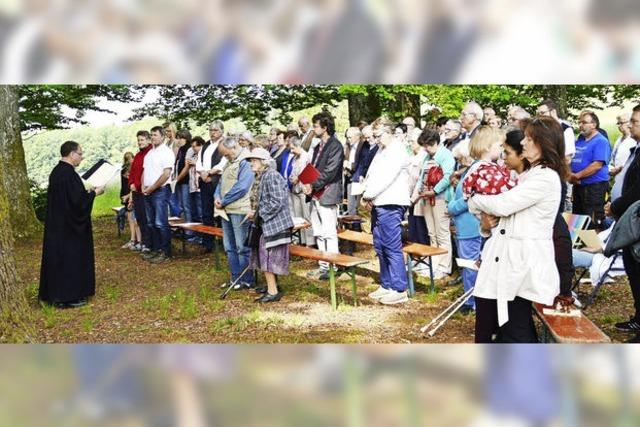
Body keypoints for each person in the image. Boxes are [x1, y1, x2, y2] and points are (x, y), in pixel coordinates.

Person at [468, 117, 571, 343]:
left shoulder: (545, 178)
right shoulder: (527, 176)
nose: (523, 143)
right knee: (498, 332)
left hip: (519, 269)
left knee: (515, 333)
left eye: (529, 139)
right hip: (502, 265)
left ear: (544, 143)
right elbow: (501, 220)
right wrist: (485, 227)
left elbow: (503, 205)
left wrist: (474, 198)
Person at [39, 141, 105, 308]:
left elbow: (72, 198)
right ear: (71, 153)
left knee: (59, 259)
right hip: (69, 228)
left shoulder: (58, 172)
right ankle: (66, 297)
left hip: (59, 224)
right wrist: (95, 193)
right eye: (80, 154)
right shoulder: (68, 174)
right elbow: (77, 204)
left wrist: (87, 193)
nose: (81, 158)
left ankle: (56, 294)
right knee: (69, 259)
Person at [362, 122, 412, 305]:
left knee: (391, 245)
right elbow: (372, 174)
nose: (375, 139)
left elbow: (386, 177)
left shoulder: (397, 150)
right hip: (379, 202)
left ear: (389, 132)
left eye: (378, 135)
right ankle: (386, 283)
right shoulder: (382, 150)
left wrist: (368, 195)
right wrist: (366, 193)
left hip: (391, 202)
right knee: (380, 244)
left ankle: (399, 288)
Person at [606, 104, 640, 342]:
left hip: (635, 219)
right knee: (632, 271)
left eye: (635, 121)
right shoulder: (635, 149)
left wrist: (616, 206)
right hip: (628, 219)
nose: (630, 125)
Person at [245, 148, 294, 303]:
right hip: (268, 223)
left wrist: (257, 213)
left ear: (263, 162)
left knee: (268, 257)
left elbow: (277, 201)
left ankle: (273, 292)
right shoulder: (262, 176)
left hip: (276, 224)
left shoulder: (271, 176)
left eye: (254, 160)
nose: (251, 163)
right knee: (263, 256)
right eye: (251, 160)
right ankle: (271, 286)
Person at [303, 111, 344, 280]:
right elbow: (312, 166)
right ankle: (323, 264)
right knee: (318, 231)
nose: (313, 129)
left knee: (329, 231)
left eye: (316, 126)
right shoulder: (317, 145)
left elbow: (330, 171)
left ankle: (333, 265)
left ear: (325, 127)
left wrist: (312, 184)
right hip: (315, 192)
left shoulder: (336, 146)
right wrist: (305, 182)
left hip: (328, 192)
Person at [412, 128, 455, 279]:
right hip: (426, 198)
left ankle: (444, 267)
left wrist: (435, 190)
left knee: (442, 233)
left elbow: (448, 176)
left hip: (440, 199)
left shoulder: (446, 155)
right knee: (432, 233)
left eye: (427, 145)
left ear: (434, 142)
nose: (425, 148)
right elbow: (421, 177)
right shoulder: (427, 157)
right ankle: (434, 263)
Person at [214, 137, 255, 290]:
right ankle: (235, 278)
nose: (225, 157)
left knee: (242, 246)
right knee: (229, 246)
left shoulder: (246, 161)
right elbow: (220, 182)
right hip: (226, 211)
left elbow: (242, 187)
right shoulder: (228, 162)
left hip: (240, 210)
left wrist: (223, 200)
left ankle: (247, 280)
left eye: (226, 154)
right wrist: (217, 197)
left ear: (234, 147)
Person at [570, 111, 611, 227]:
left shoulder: (601, 141)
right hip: (578, 186)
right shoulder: (580, 140)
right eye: (579, 122)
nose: (580, 125)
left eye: (584, 122)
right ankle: (578, 244)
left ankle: (593, 244)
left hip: (594, 188)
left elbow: (597, 165)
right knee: (578, 221)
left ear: (594, 124)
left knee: (592, 221)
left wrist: (577, 176)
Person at [141, 126, 175, 264]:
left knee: (160, 222)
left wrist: (152, 188)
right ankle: (156, 249)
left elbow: (166, 174)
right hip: (148, 191)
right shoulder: (149, 153)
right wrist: (143, 186)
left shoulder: (166, 152)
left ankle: (165, 252)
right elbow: (145, 171)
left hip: (160, 190)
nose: (153, 137)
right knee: (151, 222)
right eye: (151, 135)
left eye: (155, 135)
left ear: (162, 136)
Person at [195, 121, 227, 252]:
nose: (212, 133)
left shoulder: (225, 143)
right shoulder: (206, 145)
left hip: (217, 180)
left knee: (221, 212)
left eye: (215, 130)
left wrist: (209, 172)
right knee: (206, 213)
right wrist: (202, 172)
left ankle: (225, 243)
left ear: (221, 131)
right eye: (210, 130)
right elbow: (199, 162)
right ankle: (208, 243)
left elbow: (223, 163)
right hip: (204, 180)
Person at [128, 130, 153, 254]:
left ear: (148, 140)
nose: (140, 142)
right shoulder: (138, 155)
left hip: (144, 191)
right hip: (136, 191)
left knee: (147, 218)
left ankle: (149, 243)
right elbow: (132, 171)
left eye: (142, 140)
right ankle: (143, 241)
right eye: (138, 140)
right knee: (140, 218)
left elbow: (146, 172)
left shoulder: (150, 154)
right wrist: (131, 183)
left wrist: (137, 185)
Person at [287, 137, 315, 247]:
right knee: (298, 217)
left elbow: (310, 172)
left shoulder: (307, 156)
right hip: (295, 190)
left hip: (304, 190)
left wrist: (298, 178)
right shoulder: (294, 158)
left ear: (299, 146)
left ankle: (310, 242)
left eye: (293, 148)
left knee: (307, 216)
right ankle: (301, 240)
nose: (291, 151)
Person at [609, 112, 636, 202]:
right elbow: (613, 158)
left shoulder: (634, 141)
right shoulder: (619, 140)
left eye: (622, 123)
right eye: (618, 123)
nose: (620, 125)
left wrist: (621, 168)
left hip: (628, 182)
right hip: (616, 180)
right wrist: (611, 168)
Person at [173, 130, 195, 239]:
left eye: (179, 138)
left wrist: (177, 178)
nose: (177, 140)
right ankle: (183, 228)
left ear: (184, 138)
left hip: (185, 181)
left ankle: (190, 232)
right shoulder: (180, 150)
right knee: (181, 206)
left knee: (187, 206)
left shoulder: (188, 149)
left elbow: (186, 167)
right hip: (179, 182)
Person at [119, 151, 141, 250]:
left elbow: (135, 187)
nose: (127, 177)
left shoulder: (135, 171)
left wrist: (129, 196)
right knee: (130, 219)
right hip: (127, 197)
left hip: (133, 197)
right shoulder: (123, 170)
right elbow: (125, 186)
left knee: (135, 220)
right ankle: (133, 239)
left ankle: (138, 241)